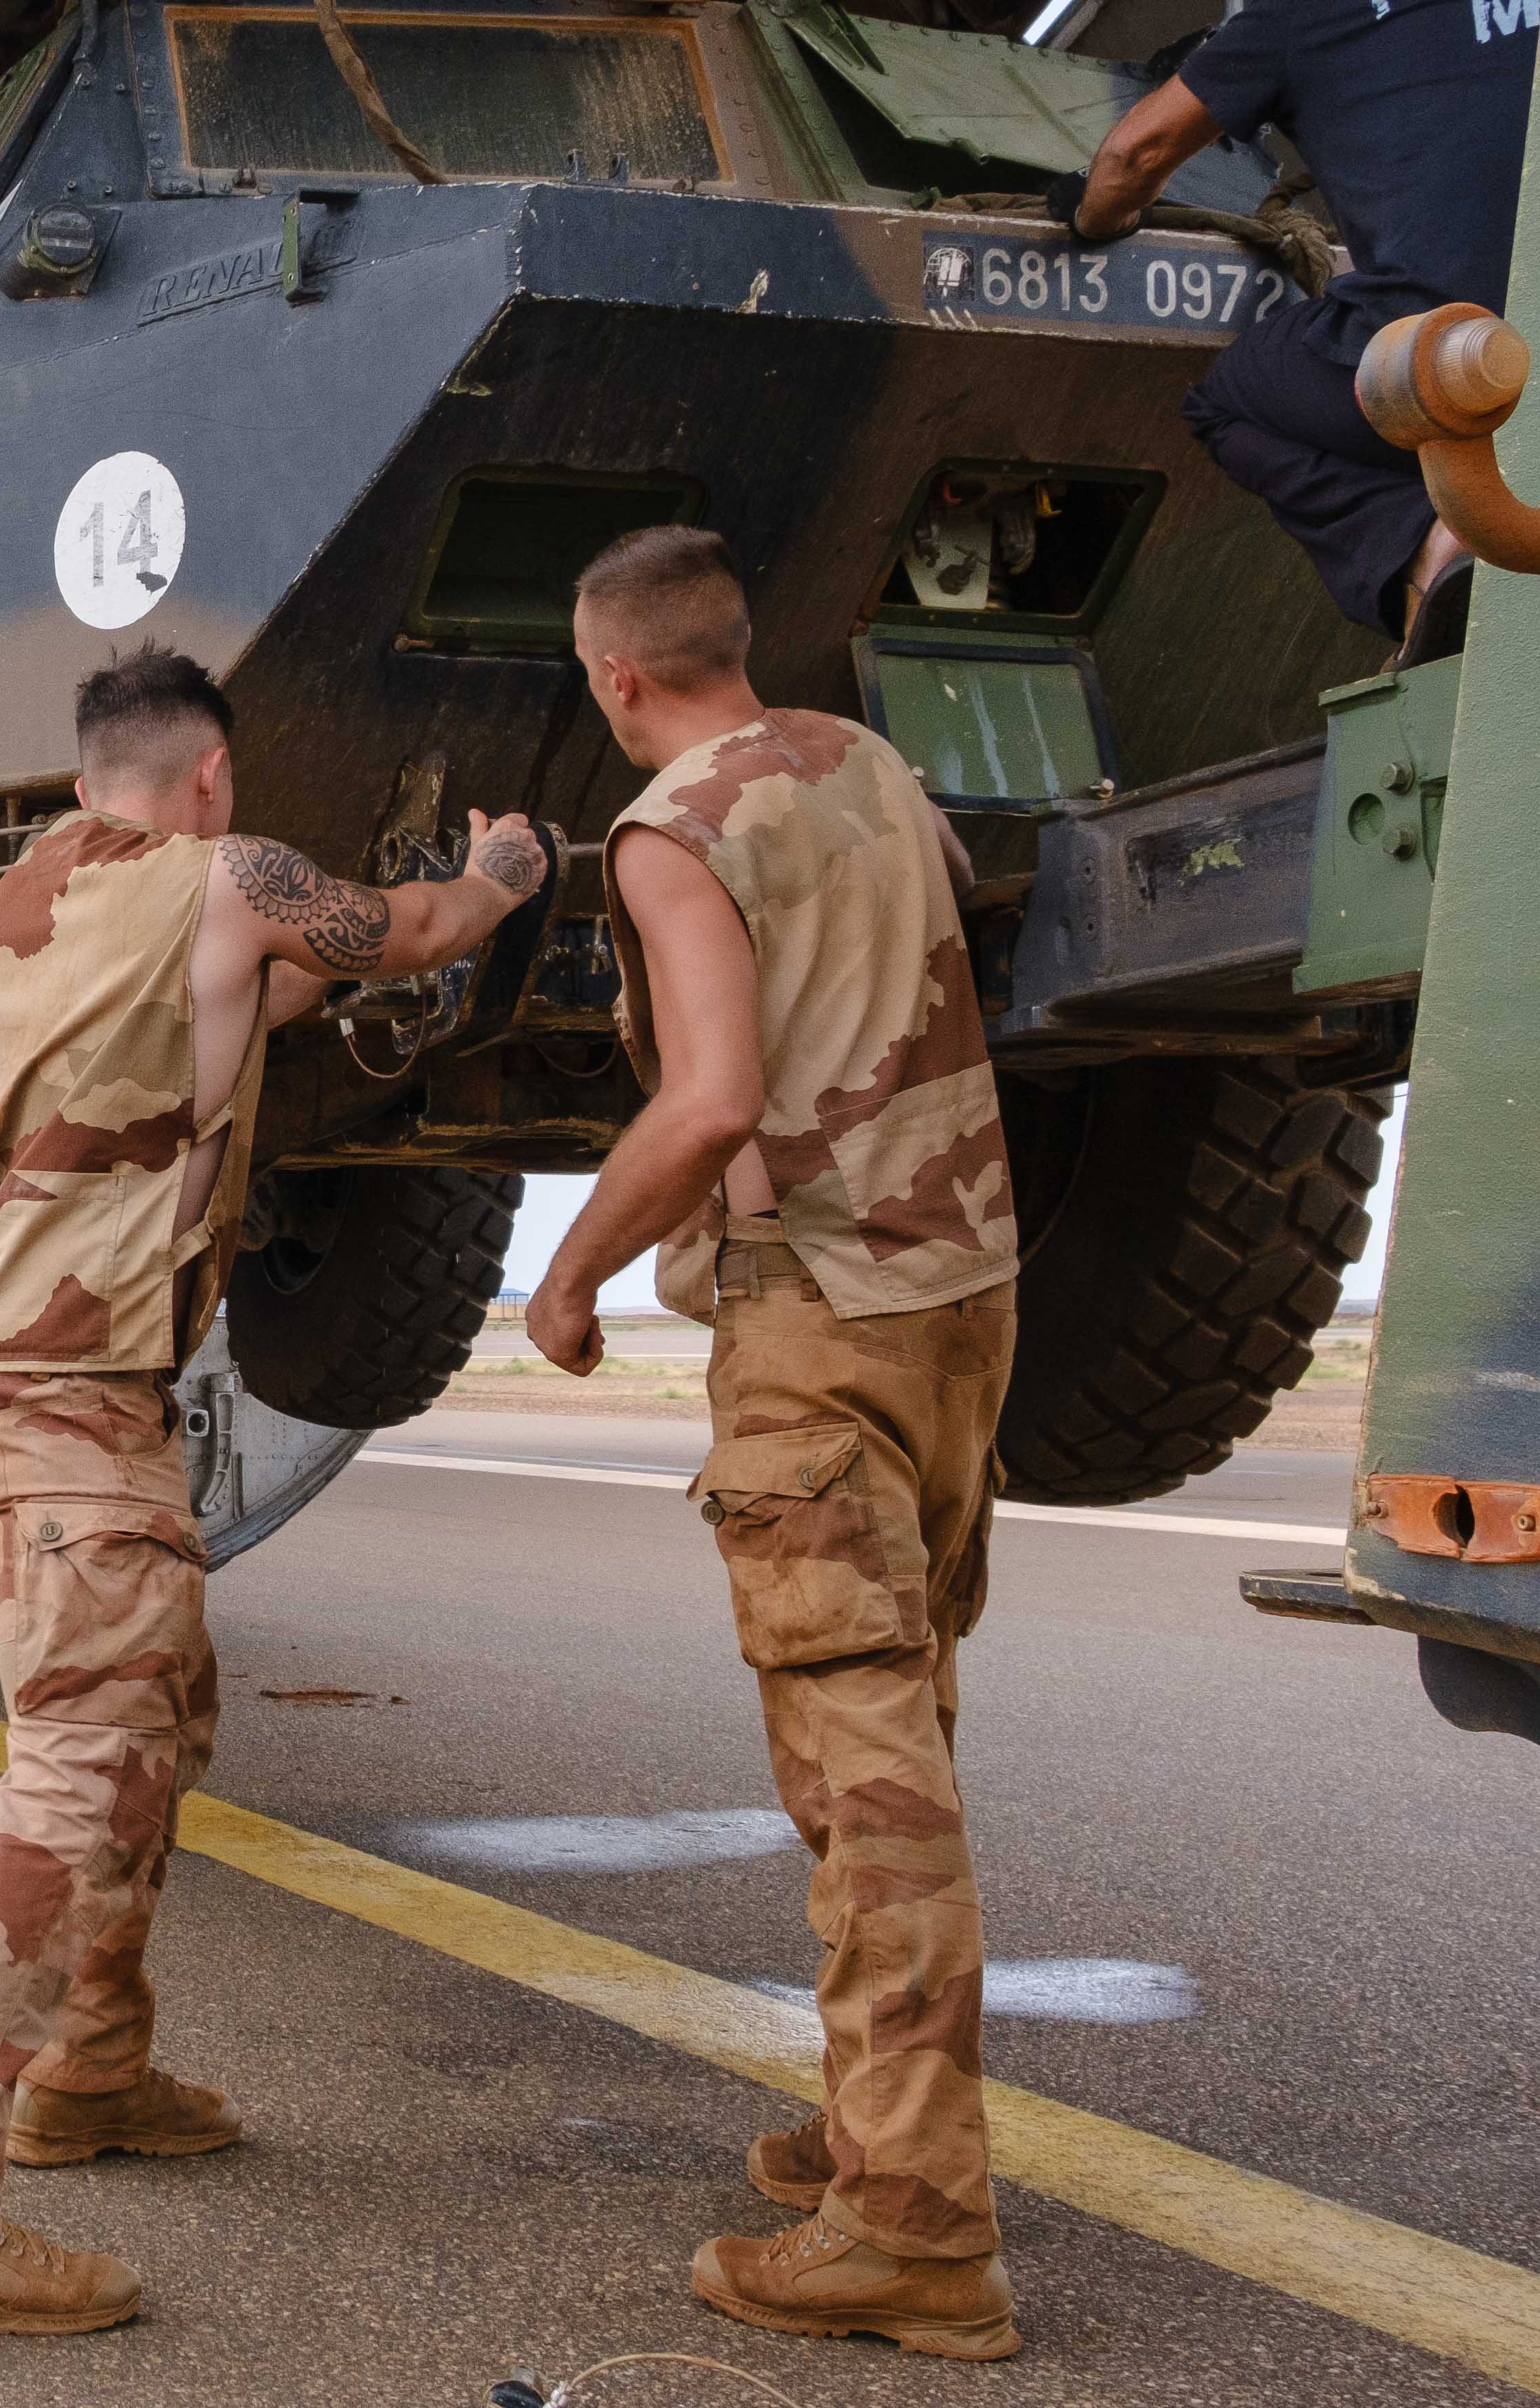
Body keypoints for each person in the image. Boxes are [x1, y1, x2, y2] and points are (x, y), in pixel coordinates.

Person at [0, 646, 543, 2335]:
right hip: (64, 1386)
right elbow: (417, 930)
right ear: (213, 779)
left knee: (156, 1726)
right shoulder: (230, 875)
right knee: (76, 1778)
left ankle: (89, 2070)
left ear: (94, 781)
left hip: (33, 1365)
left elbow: (240, 1000)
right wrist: (504, 870)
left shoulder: (42, 889)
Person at [523, 526, 1023, 2361]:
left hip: (819, 1312)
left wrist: (565, 1275)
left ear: (620, 679)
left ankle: (914, 2226)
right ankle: (877, 2117)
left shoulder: (672, 829)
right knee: (894, 1723)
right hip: (964, 1291)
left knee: (865, 1763)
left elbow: (715, 1094)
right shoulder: (866, 762)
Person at [1047, 0, 1539, 653]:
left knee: (1229, 403)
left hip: (1467, 353)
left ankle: (1436, 544)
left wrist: (1092, 220)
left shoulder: (1296, 13)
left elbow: (1134, 156)